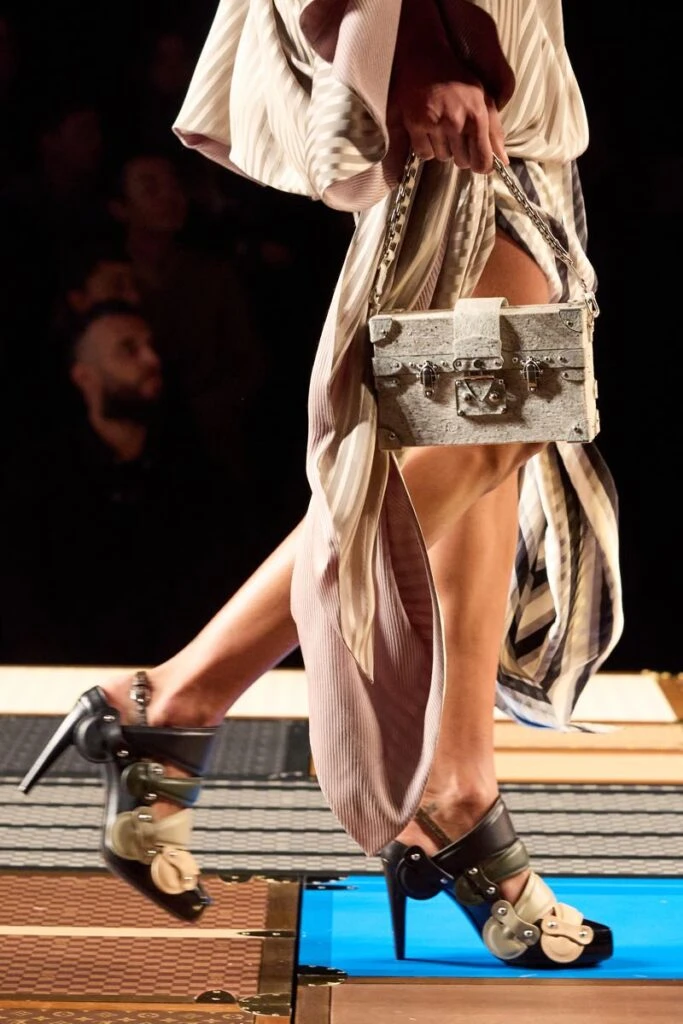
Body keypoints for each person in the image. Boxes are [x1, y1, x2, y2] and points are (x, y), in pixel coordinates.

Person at [20, 0, 623, 968]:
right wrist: (417, 56)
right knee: (503, 419)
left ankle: (450, 775)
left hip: (497, 79)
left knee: (481, 435)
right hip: (449, 64)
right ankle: (180, 699)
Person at [2, 300, 247, 667]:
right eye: (128, 349)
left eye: (151, 346)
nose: (151, 359)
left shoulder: (195, 471)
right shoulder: (39, 481)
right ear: (85, 376)